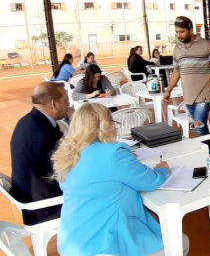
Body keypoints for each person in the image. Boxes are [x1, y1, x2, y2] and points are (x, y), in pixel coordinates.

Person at [52, 103, 189, 256]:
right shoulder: (113, 153)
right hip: (107, 245)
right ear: (106, 125)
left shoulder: (69, 154)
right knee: (179, 242)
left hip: (72, 243)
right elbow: (151, 181)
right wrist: (162, 169)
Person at [10, 82, 69, 225]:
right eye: (66, 101)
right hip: (42, 205)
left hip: (29, 194)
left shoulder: (28, 121)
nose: (68, 105)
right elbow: (69, 162)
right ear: (54, 104)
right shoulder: (43, 132)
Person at [164, 16, 210, 151]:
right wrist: (168, 90)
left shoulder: (206, 45)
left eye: (182, 32)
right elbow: (176, 71)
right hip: (188, 96)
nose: (179, 35)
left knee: (198, 125)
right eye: (177, 32)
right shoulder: (177, 49)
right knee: (201, 126)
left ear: (191, 30)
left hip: (204, 94)